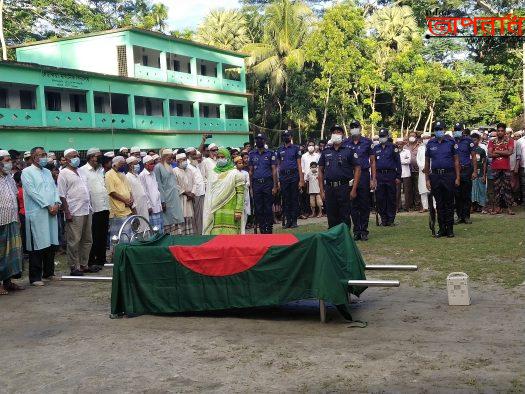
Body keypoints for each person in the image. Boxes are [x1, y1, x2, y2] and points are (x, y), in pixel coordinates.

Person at [21, 147, 60, 285]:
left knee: (50, 242)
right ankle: (35, 277)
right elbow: (32, 192)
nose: (43, 157)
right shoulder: (26, 172)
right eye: (40, 155)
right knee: (37, 244)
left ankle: (49, 272)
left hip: (52, 211)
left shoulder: (48, 172)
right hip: (37, 213)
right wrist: (47, 205)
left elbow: (55, 188)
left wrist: (56, 203)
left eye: (44, 154)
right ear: (33, 157)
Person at [57, 148, 94, 276]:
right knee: (74, 240)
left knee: (87, 239)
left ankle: (84, 264)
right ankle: (74, 267)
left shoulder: (81, 171)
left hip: (86, 209)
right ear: (66, 159)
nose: (76, 158)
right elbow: (61, 194)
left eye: (77, 155)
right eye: (73, 156)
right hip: (74, 210)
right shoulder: (63, 173)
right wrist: (67, 211)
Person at [318, 125, 361, 230]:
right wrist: (321, 191)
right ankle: (333, 240)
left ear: (343, 135)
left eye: (338, 132)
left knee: (345, 215)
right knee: (331, 216)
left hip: (344, 187)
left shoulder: (349, 151)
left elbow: (358, 169)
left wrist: (354, 189)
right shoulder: (326, 151)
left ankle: (345, 241)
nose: (336, 134)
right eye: (334, 132)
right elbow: (320, 170)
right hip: (329, 188)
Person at [424, 121, 460, 238]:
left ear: (444, 130)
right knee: (439, 204)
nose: (439, 130)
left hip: (448, 175)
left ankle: (449, 229)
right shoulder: (430, 143)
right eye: (436, 129)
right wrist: (427, 179)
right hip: (435, 176)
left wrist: (457, 177)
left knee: (449, 203)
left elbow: (456, 161)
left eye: (440, 128)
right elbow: (427, 162)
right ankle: (441, 228)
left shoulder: (451, 142)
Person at [344, 120, 375, 241]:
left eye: (356, 126)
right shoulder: (345, 143)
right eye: (352, 127)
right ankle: (356, 230)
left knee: (364, 204)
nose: (354, 129)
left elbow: (372, 162)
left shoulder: (367, 142)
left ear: (360, 128)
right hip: (350, 176)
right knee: (352, 204)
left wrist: (373, 179)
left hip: (364, 175)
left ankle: (364, 230)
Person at [202, 147, 245, 235]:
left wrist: (238, 210)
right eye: (218, 157)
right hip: (215, 210)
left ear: (228, 158)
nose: (220, 159)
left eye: (223, 157)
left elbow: (240, 194)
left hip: (231, 211)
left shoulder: (236, 174)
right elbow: (209, 193)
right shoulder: (213, 173)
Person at [80, 148, 110, 270]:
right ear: (91, 157)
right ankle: (92, 260)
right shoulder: (83, 171)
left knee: (103, 234)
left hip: (104, 206)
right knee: (93, 236)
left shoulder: (101, 170)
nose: (100, 158)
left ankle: (102, 259)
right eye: (98, 156)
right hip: (93, 208)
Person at [0, 150, 24, 295]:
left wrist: (18, 217)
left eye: (10, 160)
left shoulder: (9, 177)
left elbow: (15, 197)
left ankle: (8, 281)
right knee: (1, 253)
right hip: (1, 221)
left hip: (12, 219)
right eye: (7, 160)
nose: (10, 163)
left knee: (12, 253)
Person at [248, 133, 278, 234]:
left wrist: (275, 186)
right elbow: (251, 172)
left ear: (264, 141)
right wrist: (251, 188)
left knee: (268, 207)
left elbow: (274, 170)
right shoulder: (252, 154)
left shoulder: (270, 153)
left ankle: (269, 228)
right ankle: (262, 228)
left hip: (268, 183)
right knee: (259, 208)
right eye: (257, 139)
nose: (258, 141)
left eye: (260, 139)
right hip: (257, 184)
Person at [373, 128, 401, 226]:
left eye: (384, 136)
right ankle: (383, 219)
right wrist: (373, 178)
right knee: (380, 198)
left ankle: (391, 219)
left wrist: (398, 176)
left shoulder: (393, 147)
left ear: (387, 136)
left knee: (391, 198)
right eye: (380, 136)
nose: (382, 138)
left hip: (390, 175)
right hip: (379, 175)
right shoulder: (375, 148)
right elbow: (373, 164)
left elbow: (398, 163)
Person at [276, 130, 304, 228]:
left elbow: (299, 165)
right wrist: (279, 180)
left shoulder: (296, 148)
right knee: (286, 199)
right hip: (283, 177)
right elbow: (278, 166)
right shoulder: (279, 150)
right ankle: (288, 220)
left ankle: (294, 221)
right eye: (284, 136)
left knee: (294, 199)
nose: (285, 137)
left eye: (287, 136)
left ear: (291, 137)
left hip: (294, 176)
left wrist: (301, 180)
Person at [154, 149, 184, 234]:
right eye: (169, 157)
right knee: (168, 220)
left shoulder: (170, 166)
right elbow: (159, 185)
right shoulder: (158, 167)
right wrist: (162, 201)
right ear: (164, 157)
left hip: (174, 197)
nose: (171, 158)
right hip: (166, 198)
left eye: (172, 157)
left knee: (176, 219)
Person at [488, 123, 515, 215]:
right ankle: (497, 207)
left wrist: (496, 151)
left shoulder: (510, 140)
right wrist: (504, 152)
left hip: (506, 168)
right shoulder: (492, 141)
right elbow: (489, 154)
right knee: (496, 188)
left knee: (507, 187)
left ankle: (509, 208)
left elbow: (510, 152)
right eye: (498, 131)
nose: (500, 132)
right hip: (495, 167)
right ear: (496, 131)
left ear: (504, 132)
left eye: (502, 131)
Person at [105, 156, 134, 245]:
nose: (123, 166)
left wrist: (131, 199)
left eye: (124, 164)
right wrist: (125, 200)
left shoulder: (122, 174)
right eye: (122, 164)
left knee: (128, 235)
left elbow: (129, 190)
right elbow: (111, 192)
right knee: (117, 237)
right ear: (115, 164)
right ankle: (117, 256)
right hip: (117, 211)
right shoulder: (109, 174)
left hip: (127, 209)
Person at [452, 123, 477, 224]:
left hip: (466, 170)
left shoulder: (468, 141)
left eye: (459, 129)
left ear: (463, 130)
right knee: (457, 195)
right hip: (455, 171)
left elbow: (474, 156)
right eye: (455, 129)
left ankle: (466, 216)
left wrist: (475, 171)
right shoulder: (451, 141)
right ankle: (459, 216)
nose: (457, 131)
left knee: (466, 194)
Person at [139, 155, 163, 232]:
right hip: (151, 206)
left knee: (160, 228)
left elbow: (156, 189)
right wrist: (148, 205)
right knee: (154, 229)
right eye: (151, 164)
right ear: (146, 164)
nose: (153, 165)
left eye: (153, 163)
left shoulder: (153, 173)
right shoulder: (142, 175)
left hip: (158, 205)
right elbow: (144, 192)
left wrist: (160, 202)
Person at [185, 147, 206, 234]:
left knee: (201, 215)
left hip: (201, 192)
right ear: (188, 155)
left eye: (195, 154)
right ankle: (197, 234)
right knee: (196, 216)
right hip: (195, 194)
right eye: (193, 155)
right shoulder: (187, 166)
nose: (195, 156)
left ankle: (201, 232)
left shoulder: (195, 164)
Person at [173, 153, 195, 235]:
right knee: (181, 216)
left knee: (189, 217)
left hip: (190, 198)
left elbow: (195, 183)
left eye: (185, 159)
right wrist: (185, 192)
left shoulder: (189, 170)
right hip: (181, 198)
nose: (185, 161)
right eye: (183, 160)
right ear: (178, 161)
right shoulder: (174, 171)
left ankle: (189, 235)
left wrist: (192, 193)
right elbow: (175, 185)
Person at [125, 156, 150, 226]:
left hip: (143, 205)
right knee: (139, 227)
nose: (138, 166)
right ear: (130, 165)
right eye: (135, 164)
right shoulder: (127, 177)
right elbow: (130, 194)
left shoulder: (137, 175)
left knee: (146, 226)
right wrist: (133, 208)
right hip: (136, 207)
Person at [300, 141, 320, 219]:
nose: (311, 146)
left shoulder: (317, 156)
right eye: (309, 145)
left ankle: (319, 212)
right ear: (307, 146)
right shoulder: (304, 156)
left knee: (317, 196)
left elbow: (320, 168)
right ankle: (309, 212)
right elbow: (302, 169)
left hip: (316, 179)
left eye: (312, 145)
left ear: (314, 146)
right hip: (306, 180)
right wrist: (302, 180)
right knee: (307, 197)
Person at [470, 132, 487, 212]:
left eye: (475, 140)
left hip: (480, 173)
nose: (474, 142)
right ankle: (472, 206)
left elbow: (484, 163)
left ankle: (482, 206)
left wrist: (484, 175)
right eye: (472, 140)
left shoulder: (482, 150)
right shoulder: (468, 150)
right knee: (473, 190)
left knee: (481, 189)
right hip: (471, 174)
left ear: (479, 140)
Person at [234, 156, 250, 234]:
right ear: (235, 164)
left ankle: (243, 229)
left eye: (241, 163)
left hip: (245, 194)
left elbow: (248, 182)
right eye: (239, 163)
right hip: (237, 195)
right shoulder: (233, 173)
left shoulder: (245, 173)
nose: (240, 165)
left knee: (245, 211)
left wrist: (243, 184)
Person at [416, 133, 432, 212]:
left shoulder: (433, 146)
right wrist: (423, 167)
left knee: (433, 189)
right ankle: (425, 207)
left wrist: (429, 168)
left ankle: (434, 206)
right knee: (423, 189)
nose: (426, 139)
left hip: (431, 171)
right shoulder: (420, 148)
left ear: (430, 138)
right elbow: (418, 159)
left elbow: (433, 159)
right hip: (422, 171)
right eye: (424, 138)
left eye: (427, 138)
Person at [407, 131, 422, 211]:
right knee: (409, 189)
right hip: (408, 171)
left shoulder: (419, 146)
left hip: (417, 170)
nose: (411, 137)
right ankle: (410, 205)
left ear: (416, 137)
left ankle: (417, 205)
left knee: (417, 188)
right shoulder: (405, 146)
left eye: (413, 136)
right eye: (410, 136)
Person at [516, 131, 525, 205]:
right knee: (522, 184)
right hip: (522, 166)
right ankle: (523, 200)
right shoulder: (520, 141)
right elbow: (518, 155)